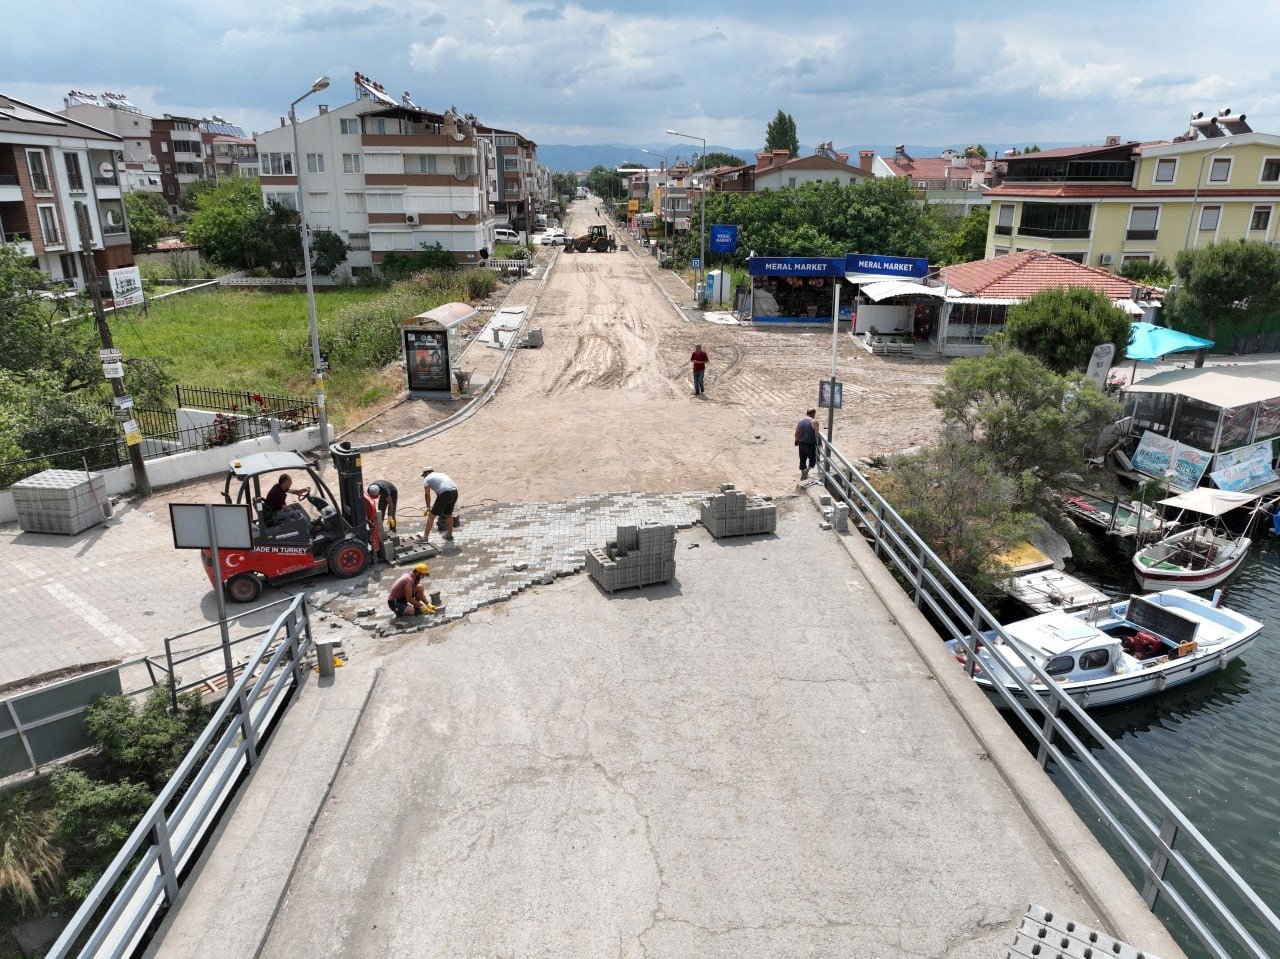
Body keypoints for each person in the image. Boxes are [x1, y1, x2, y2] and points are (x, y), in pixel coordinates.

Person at [421, 468, 459, 543]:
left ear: (427, 473)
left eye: (424, 475)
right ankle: (449, 534)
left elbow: (427, 494)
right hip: (455, 492)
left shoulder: (427, 479)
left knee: (431, 515)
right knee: (448, 514)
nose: (424, 477)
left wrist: (428, 507)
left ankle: (424, 538)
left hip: (445, 494)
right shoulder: (441, 474)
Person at [795, 408, 819, 480]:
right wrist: (818, 444)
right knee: (812, 460)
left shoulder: (800, 421)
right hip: (810, 444)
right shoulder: (814, 422)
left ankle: (803, 475)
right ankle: (807, 471)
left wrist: (796, 440)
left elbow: (796, 432)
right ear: (813, 414)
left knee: (802, 459)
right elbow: (816, 435)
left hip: (801, 443)